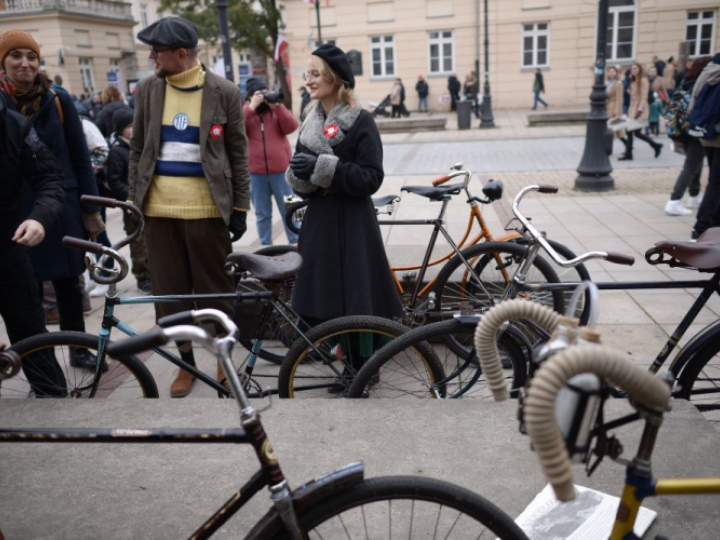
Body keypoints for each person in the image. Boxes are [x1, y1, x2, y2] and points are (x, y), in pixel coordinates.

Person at [128, 17, 251, 397]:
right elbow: (137, 152)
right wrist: (134, 203)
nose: (152, 57)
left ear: (182, 54)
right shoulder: (148, 89)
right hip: (159, 213)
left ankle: (222, 360)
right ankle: (186, 366)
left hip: (208, 210)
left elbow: (238, 154)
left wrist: (241, 208)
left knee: (217, 293)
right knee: (170, 295)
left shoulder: (224, 91)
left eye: (157, 52)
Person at [0, 30, 106, 372]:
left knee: (68, 281)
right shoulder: (1, 104)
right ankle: (38, 358)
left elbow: (80, 156)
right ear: (3, 62)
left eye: (31, 57)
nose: (25, 63)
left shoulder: (57, 99)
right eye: (16, 56)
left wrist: (92, 210)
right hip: (17, 209)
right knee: (26, 290)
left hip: (60, 204)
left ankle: (78, 347)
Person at [286, 43, 402, 336]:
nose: (308, 80)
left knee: (358, 299)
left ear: (335, 79)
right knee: (324, 299)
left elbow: (371, 177)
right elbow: (306, 184)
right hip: (320, 223)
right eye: (306, 74)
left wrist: (325, 167)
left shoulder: (361, 120)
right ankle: (340, 363)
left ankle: (363, 368)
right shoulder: (310, 123)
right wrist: (301, 175)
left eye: (316, 74)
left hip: (354, 223)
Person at [0, 97, 68, 396]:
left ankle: (53, 404)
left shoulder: (15, 126)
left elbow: (51, 179)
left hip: (7, 250)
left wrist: (39, 218)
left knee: (32, 336)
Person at [243, 76, 299, 246]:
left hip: (281, 172)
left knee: (289, 209)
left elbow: (292, 126)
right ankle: (266, 246)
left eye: (264, 93)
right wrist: (251, 106)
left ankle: (296, 243)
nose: (262, 98)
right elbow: (235, 127)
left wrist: (277, 107)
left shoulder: (275, 111)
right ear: (251, 96)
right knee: (262, 213)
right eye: (258, 94)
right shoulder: (246, 112)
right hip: (256, 174)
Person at [105, 107, 152, 293]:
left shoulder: (140, 146)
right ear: (120, 129)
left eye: (135, 125)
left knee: (151, 240)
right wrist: (130, 198)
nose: (134, 129)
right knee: (138, 242)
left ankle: (155, 273)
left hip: (148, 201)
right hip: (131, 205)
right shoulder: (117, 152)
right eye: (129, 126)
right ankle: (143, 277)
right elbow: (115, 180)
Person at [664, 56, 712, 217]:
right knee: (691, 165)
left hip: (682, 129)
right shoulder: (705, 83)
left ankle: (694, 196)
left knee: (695, 163)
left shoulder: (686, 82)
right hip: (696, 129)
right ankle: (674, 201)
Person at [690, 54, 720, 240]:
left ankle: (708, 227)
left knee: (714, 182)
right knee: (716, 184)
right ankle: (702, 228)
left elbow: (694, 101)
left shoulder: (707, 71)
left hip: (706, 134)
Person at [618, 64, 662, 161]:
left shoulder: (643, 80)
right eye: (632, 68)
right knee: (633, 132)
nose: (633, 70)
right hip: (632, 108)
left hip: (639, 109)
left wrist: (640, 109)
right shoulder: (633, 80)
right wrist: (628, 80)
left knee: (631, 132)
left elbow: (644, 96)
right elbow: (629, 92)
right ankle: (655, 145)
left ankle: (629, 154)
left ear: (640, 69)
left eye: (635, 68)